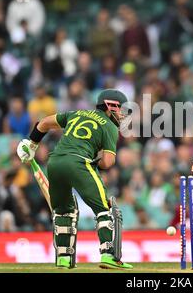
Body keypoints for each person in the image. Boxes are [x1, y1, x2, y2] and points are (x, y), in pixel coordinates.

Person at [16, 89, 133, 269]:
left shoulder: (76, 113)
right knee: (104, 209)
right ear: (110, 106)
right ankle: (109, 255)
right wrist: (95, 162)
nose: (123, 115)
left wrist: (32, 144)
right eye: (121, 110)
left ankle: (64, 259)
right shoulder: (110, 126)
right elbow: (108, 162)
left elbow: (44, 122)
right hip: (79, 163)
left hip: (54, 162)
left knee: (64, 211)